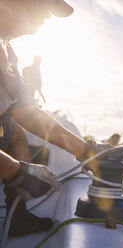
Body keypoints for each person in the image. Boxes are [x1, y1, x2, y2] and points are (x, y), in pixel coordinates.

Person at [0, 0, 107, 236]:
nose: (48, 17)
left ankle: (16, 219)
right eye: (44, 7)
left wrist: (87, 151)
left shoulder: (7, 51)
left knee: (10, 128)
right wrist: (14, 171)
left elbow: (25, 111)